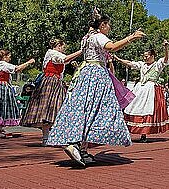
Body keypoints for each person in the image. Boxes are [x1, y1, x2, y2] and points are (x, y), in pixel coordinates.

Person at [46, 10, 145, 167]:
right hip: (97, 74)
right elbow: (112, 47)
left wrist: (95, 16)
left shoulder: (86, 38)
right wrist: (131, 37)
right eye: (108, 25)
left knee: (84, 109)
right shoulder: (99, 36)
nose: (109, 28)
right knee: (99, 110)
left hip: (85, 74)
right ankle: (76, 145)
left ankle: (81, 148)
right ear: (103, 25)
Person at [20, 38, 82, 145]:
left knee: (54, 109)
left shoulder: (54, 54)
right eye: (63, 47)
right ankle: (46, 138)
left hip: (56, 82)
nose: (63, 49)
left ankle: (52, 137)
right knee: (48, 110)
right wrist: (81, 51)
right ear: (59, 46)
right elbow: (64, 59)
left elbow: (65, 61)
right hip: (51, 82)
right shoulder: (52, 53)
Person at [116, 40, 169, 143]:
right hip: (140, 88)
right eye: (144, 56)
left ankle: (144, 134)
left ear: (152, 56)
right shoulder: (142, 65)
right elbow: (130, 63)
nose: (145, 58)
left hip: (150, 89)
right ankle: (129, 131)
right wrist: (118, 59)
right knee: (133, 108)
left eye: (147, 56)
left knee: (146, 109)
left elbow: (166, 59)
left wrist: (166, 48)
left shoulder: (157, 64)